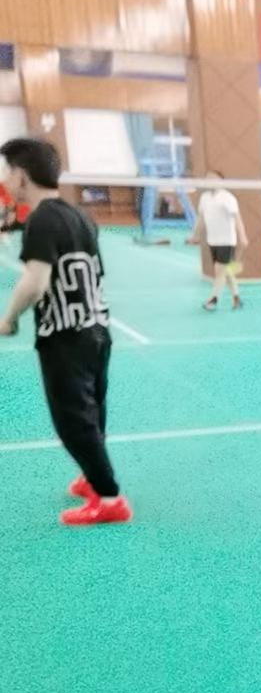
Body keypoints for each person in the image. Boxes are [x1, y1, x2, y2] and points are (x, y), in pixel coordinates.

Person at [0, 137, 131, 525]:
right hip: (97, 330)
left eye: (6, 172)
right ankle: (92, 477)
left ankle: (109, 499)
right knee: (92, 410)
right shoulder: (80, 216)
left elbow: (35, 281)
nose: (4, 180)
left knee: (73, 421)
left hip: (66, 337)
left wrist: (9, 318)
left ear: (21, 176)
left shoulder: (41, 219)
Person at [187, 169, 247, 310]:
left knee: (219, 272)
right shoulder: (205, 197)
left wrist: (242, 236)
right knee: (227, 272)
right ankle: (237, 298)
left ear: (221, 181)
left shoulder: (228, 198)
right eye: (207, 178)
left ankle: (213, 299)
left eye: (213, 178)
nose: (209, 181)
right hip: (212, 240)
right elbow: (201, 219)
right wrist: (194, 236)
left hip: (226, 241)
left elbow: (237, 219)